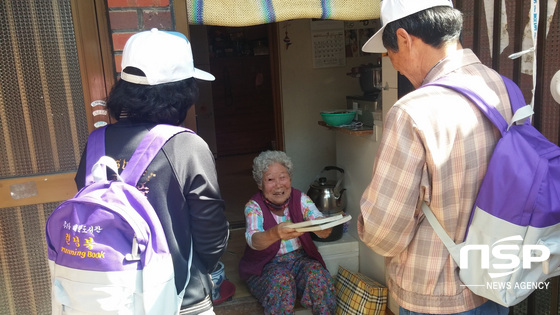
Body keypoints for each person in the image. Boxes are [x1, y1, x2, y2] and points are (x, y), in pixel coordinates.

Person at [358, 1, 513, 314]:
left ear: (404, 39)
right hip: (497, 280)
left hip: (437, 295)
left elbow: (383, 233)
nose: (394, 65)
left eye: (390, 55)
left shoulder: (412, 112)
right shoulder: (502, 88)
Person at [75, 28, 229, 315]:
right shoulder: (186, 146)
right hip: (180, 298)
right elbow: (212, 237)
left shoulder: (95, 143)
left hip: (109, 299)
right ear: (181, 92)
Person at [238, 150, 336, 315]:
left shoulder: (301, 199)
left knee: (319, 276)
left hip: (299, 260)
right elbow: (254, 240)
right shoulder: (253, 206)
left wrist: (324, 228)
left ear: (289, 178)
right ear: (260, 185)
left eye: (282, 177)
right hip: (265, 266)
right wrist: (275, 233)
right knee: (281, 283)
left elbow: (318, 223)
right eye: (270, 179)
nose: (278, 184)